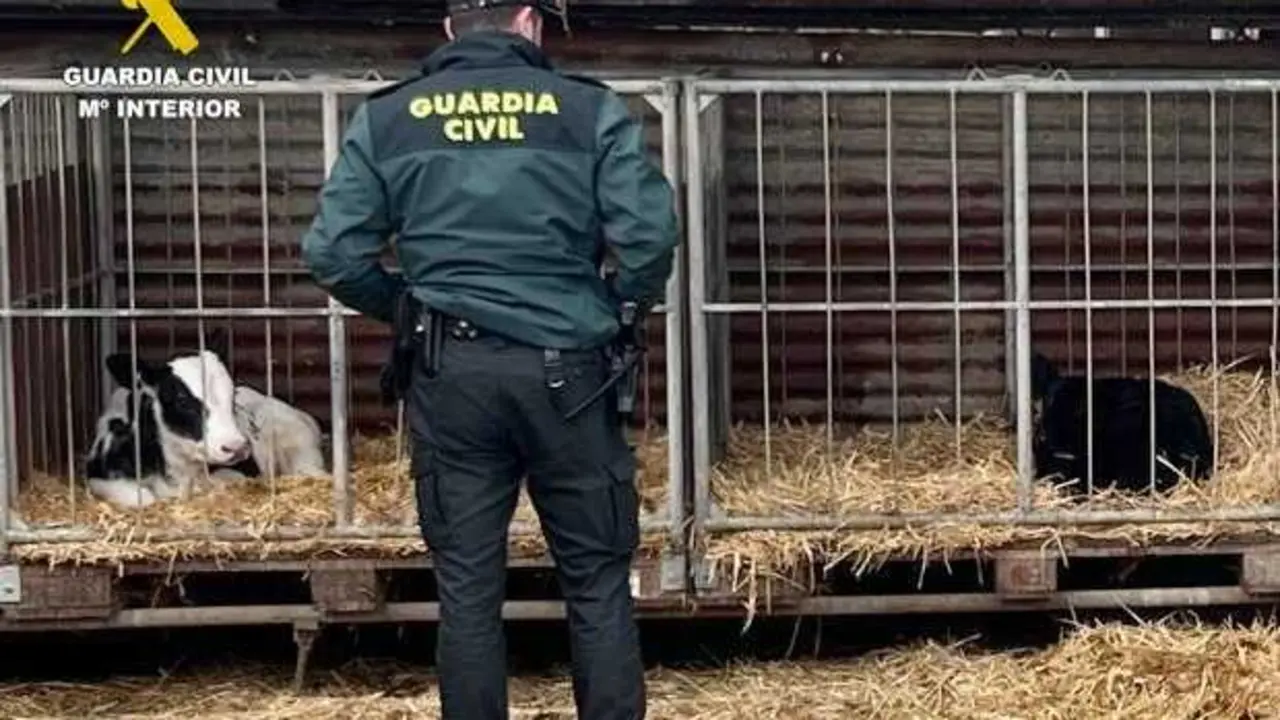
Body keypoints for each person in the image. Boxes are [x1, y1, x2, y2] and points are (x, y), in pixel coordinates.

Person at [299, 1, 679, 718]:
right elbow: (651, 236)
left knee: (468, 589)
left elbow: (332, 253)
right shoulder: (586, 110)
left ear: (450, 28)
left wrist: (406, 309)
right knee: (597, 580)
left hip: (451, 374)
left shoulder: (389, 117)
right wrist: (621, 309)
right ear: (530, 22)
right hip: (570, 372)